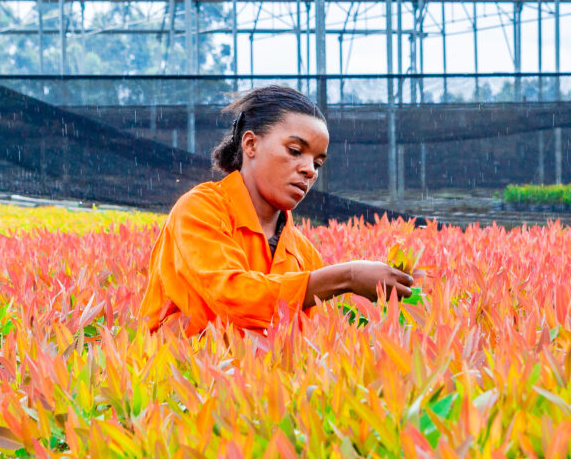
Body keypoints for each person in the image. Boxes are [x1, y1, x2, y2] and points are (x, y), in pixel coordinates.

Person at [139, 85, 416, 335]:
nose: (309, 169)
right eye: (295, 150)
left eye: (318, 163)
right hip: (181, 383)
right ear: (250, 144)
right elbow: (231, 298)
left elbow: (301, 342)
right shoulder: (200, 210)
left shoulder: (304, 253)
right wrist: (348, 277)